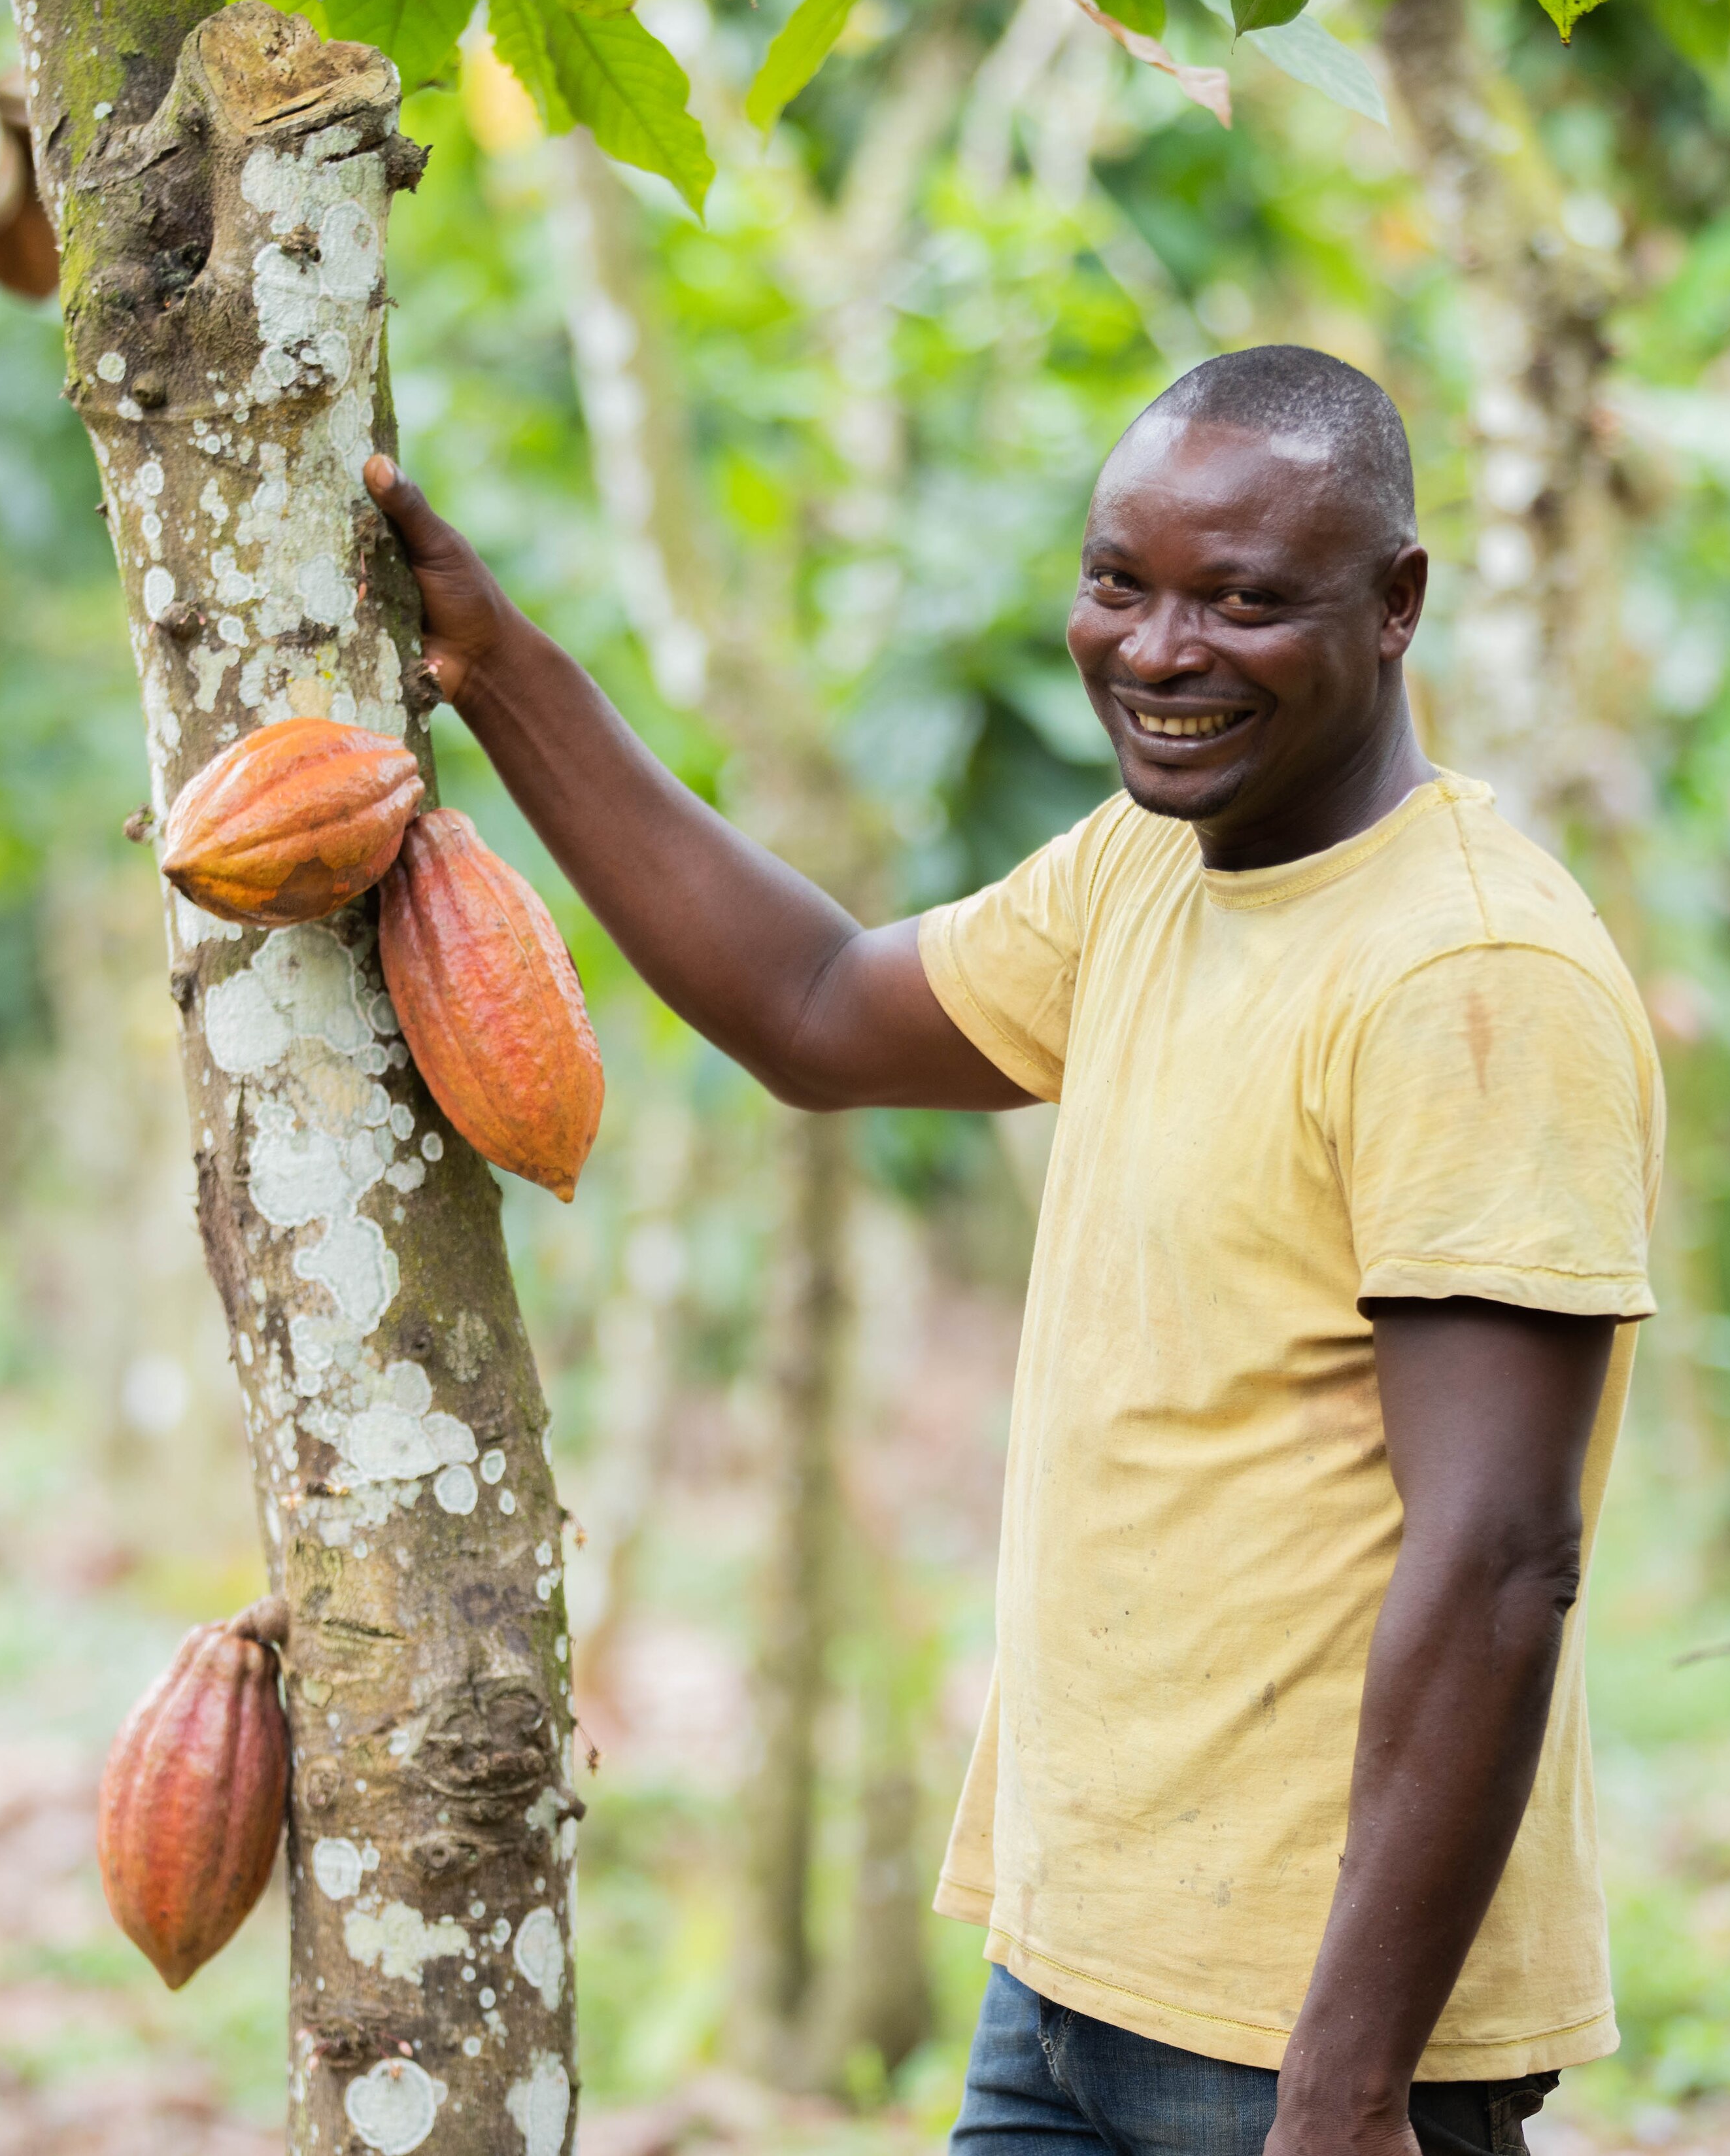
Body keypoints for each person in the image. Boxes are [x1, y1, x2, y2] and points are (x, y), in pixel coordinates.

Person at [364, 342, 1664, 2156]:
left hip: (1307, 2043)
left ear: (1397, 608)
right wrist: (496, 667)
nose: (1156, 651)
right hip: (1070, 1983)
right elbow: (816, 1008)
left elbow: (1504, 1554)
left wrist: (1346, 2089)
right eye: (1118, 582)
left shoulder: (1470, 979)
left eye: (1243, 601)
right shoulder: (1148, 870)